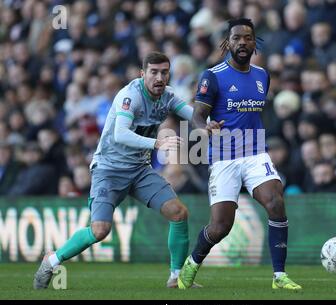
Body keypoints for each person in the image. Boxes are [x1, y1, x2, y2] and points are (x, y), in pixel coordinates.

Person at [33, 52, 200, 289]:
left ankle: (176, 277)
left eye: (164, 72)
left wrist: (211, 122)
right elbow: (120, 134)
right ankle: (51, 260)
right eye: (153, 72)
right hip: (109, 170)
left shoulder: (169, 96)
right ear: (143, 74)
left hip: (139, 170)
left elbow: (194, 116)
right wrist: (156, 144)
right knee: (100, 230)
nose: (159, 77)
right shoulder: (130, 96)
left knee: (178, 212)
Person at [177, 18, 302, 290]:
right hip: (223, 157)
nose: (242, 42)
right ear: (227, 43)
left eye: (247, 37)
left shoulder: (262, 75)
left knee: (275, 202)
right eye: (236, 38)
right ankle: (192, 263)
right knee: (221, 227)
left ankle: (279, 276)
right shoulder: (213, 76)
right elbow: (197, 115)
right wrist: (205, 126)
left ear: (255, 42)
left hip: (255, 152)